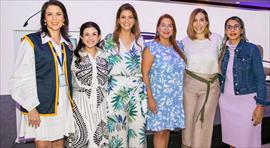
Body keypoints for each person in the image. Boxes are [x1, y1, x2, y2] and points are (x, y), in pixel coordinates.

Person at [9, 0, 74, 147]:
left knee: (59, 144)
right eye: (49, 14)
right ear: (44, 19)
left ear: (64, 19)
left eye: (58, 14)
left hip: (62, 105)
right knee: (43, 144)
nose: (54, 18)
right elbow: (20, 77)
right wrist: (31, 108)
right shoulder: (31, 41)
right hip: (41, 106)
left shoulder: (67, 44)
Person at [101, 3, 147, 148]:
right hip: (115, 92)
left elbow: (145, 68)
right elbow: (101, 67)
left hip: (137, 92)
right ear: (118, 19)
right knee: (116, 136)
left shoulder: (140, 40)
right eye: (123, 17)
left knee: (138, 134)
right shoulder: (109, 39)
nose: (126, 20)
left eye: (130, 17)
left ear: (135, 20)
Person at [219, 16, 269, 147]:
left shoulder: (252, 49)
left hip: (247, 104)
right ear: (225, 31)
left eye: (236, 26)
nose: (232, 30)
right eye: (229, 27)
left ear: (242, 30)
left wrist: (260, 105)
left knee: (248, 142)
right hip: (227, 103)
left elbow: (260, 78)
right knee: (232, 142)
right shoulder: (223, 50)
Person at [142, 14, 186, 148]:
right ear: (157, 28)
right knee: (160, 132)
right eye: (163, 25)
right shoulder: (151, 47)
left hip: (174, 98)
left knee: (167, 131)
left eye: (170, 25)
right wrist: (150, 98)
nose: (166, 28)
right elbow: (144, 74)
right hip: (158, 98)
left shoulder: (179, 46)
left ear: (174, 28)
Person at [181, 8, 222, 148]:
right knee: (188, 122)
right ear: (191, 23)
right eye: (195, 20)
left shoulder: (216, 38)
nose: (198, 24)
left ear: (207, 22)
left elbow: (226, 59)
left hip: (210, 86)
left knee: (201, 123)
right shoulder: (185, 41)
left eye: (201, 20)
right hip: (190, 85)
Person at [69, 22, 109, 148]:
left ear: (99, 37)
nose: (90, 38)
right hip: (80, 102)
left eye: (94, 34)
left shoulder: (106, 55)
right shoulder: (74, 56)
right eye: (86, 34)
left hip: (101, 103)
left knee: (100, 139)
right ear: (81, 37)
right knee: (83, 138)